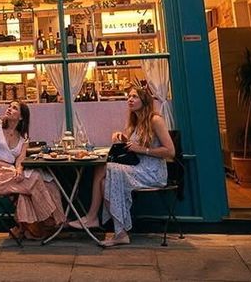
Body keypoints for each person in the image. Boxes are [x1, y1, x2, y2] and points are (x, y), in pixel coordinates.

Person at [68, 86, 175, 247]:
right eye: (129, 97)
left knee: (105, 167)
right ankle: (120, 233)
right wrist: (122, 138)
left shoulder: (155, 120)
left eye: (134, 97)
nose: (130, 100)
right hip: (136, 169)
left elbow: (170, 151)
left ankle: (92, 217)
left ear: (144, 100)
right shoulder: (136, 122)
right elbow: (132, 148)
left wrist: (143, 150)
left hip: (152, 172)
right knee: (104, 182)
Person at [0, 81, 65, 239]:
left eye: (14, 108)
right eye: (9, 106)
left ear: (22, 116)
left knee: (45, 183)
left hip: (9, 173)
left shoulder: (23, 138)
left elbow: (20, 159)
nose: (9, 109)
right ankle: (51, 220)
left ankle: (30, 229)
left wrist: (19, 169)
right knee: (36, 177)